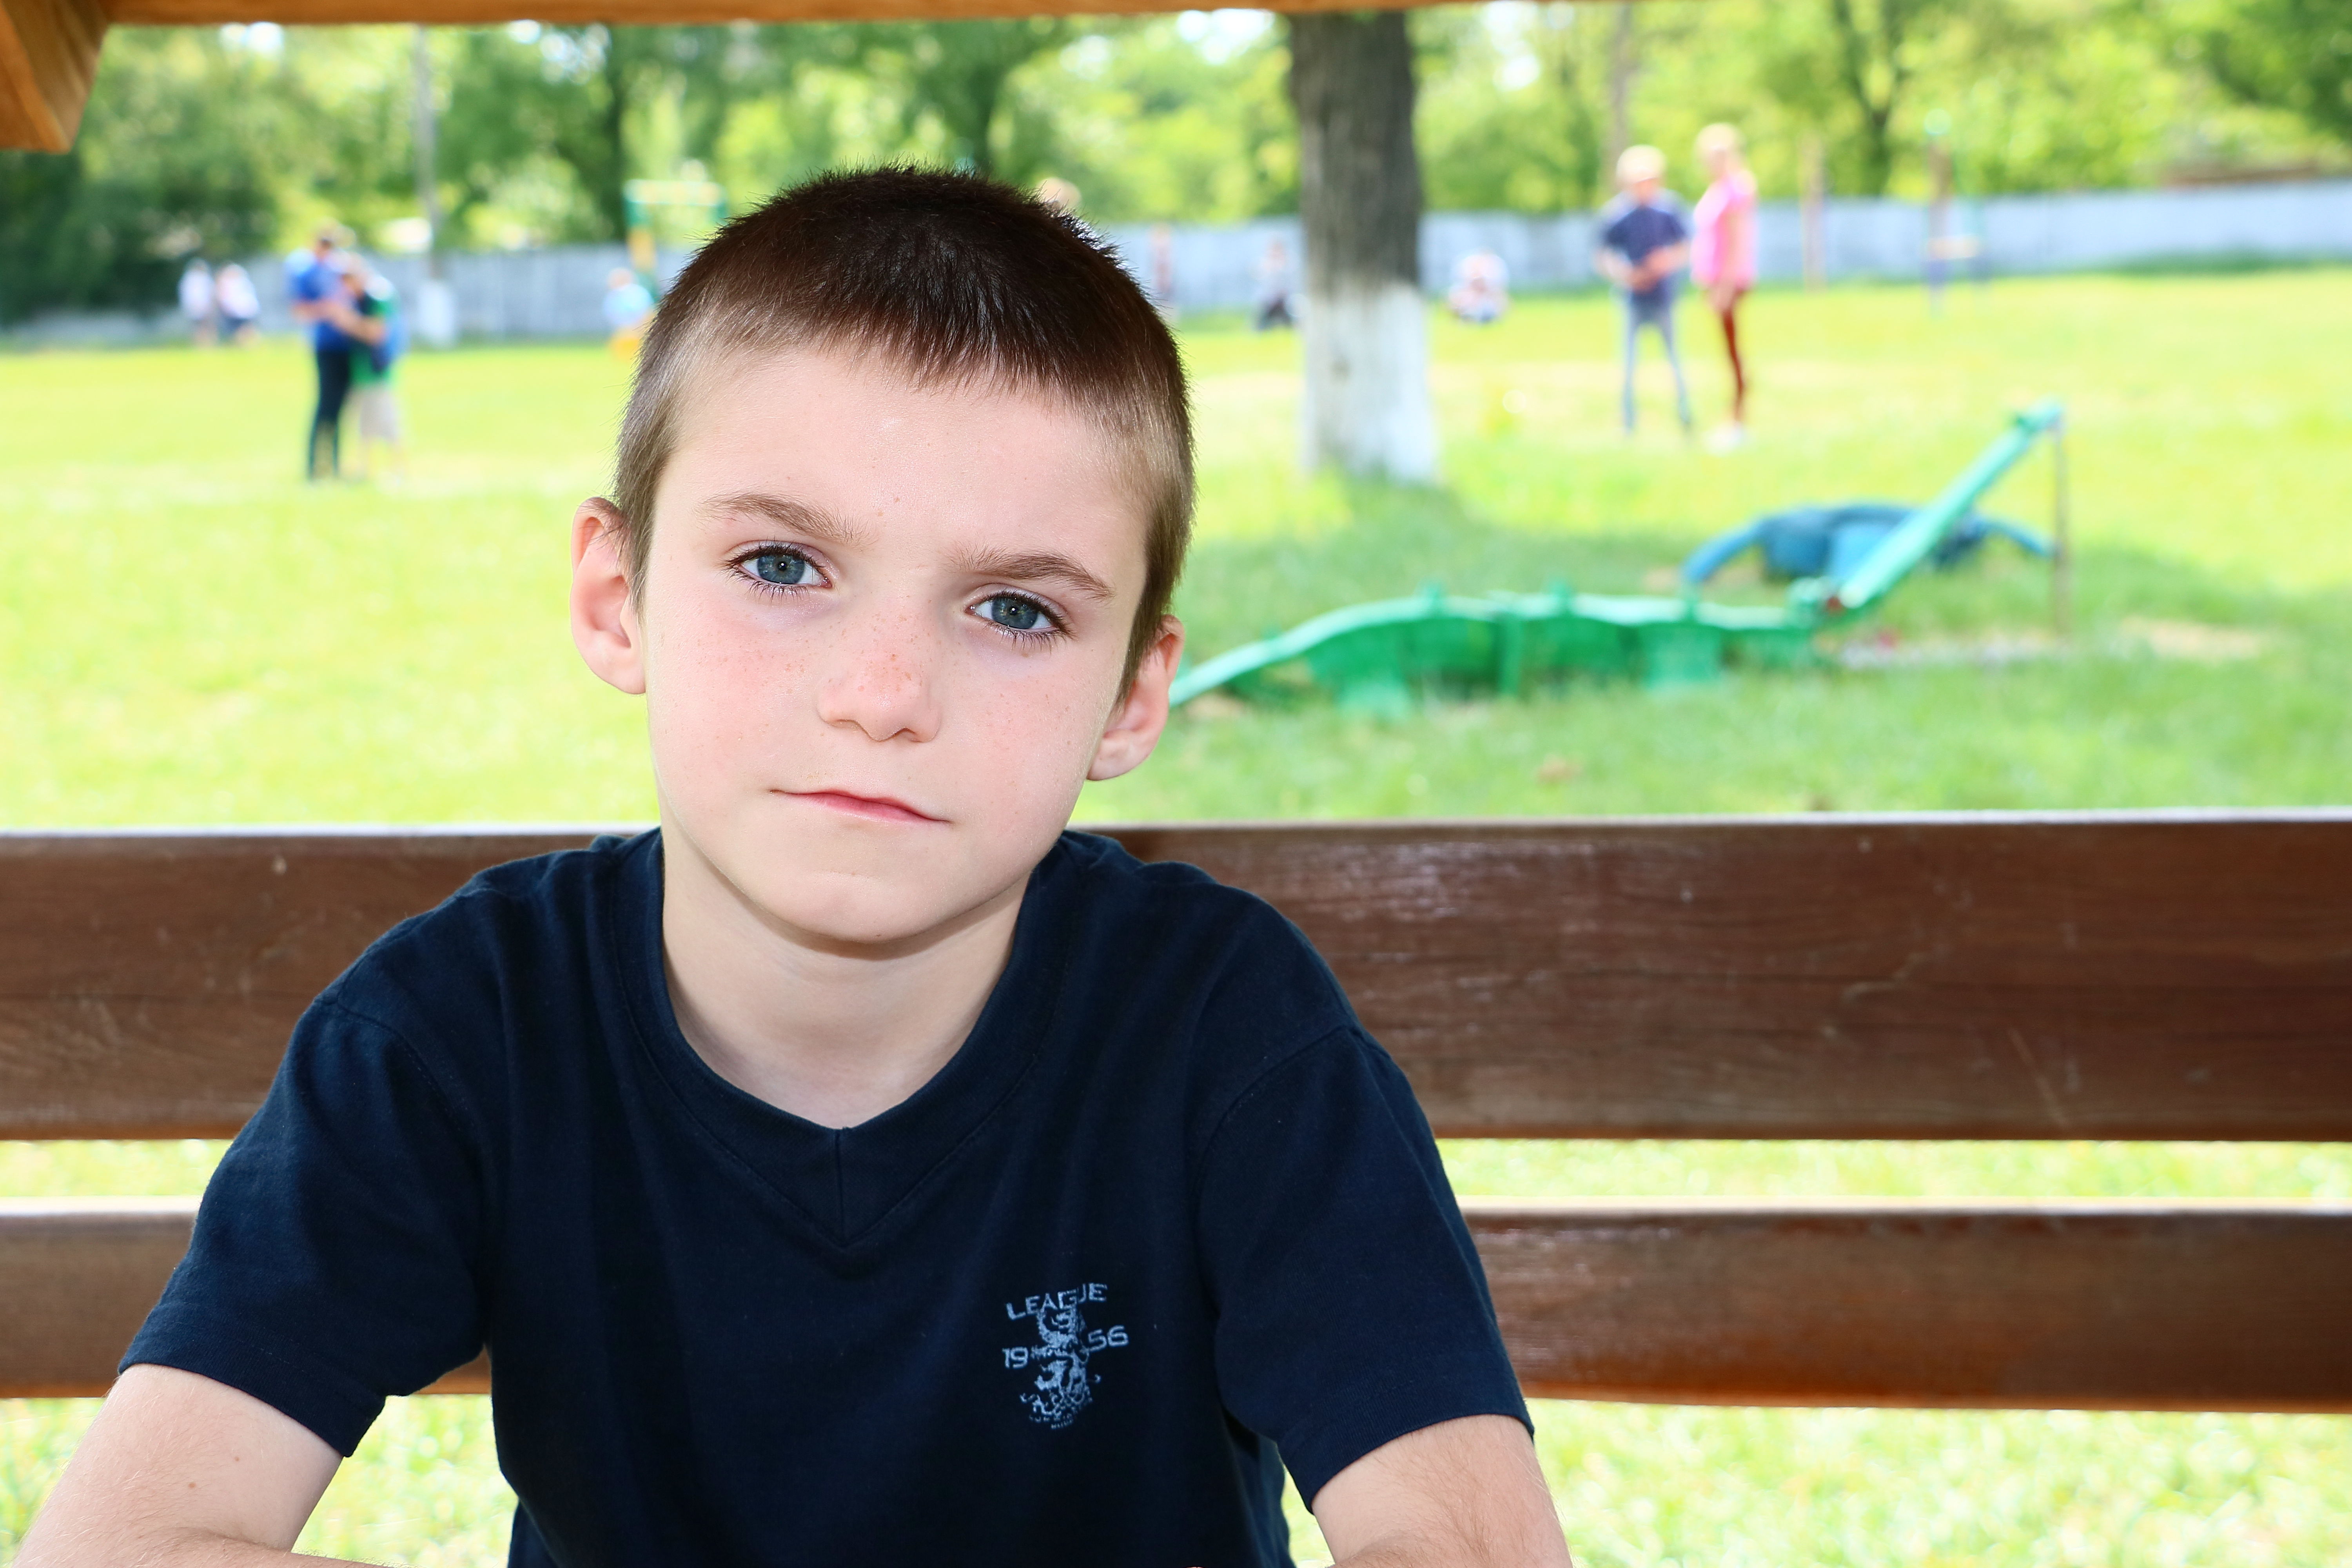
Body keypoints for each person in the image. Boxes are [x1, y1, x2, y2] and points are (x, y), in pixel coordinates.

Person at [18, 170, 1570, 1568]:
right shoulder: (464, 1029)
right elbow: (123, 1542)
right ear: (617, 597)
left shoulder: (1224, 1030)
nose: (882, 695)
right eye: (782, 566)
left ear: (1131, 695)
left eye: (1016, 610)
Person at [1595, 144, 1693, 436]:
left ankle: (1686, 416)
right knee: (1628, 365)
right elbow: (1603, 256)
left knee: (1675, 360)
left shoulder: (1668, 209)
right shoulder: (1617, 214)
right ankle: (1628, 422)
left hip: (1663, 297)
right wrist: (1625, 274)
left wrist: (1664, 262)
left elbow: (1685, 247)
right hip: (1632, 299)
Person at [1691, 123, 1758, 448]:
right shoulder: (1718, 189)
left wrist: (1726, 287)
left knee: (1733, 351)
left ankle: (1737, 422)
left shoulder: (1735, 190)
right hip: (1715, 281)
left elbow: (1736, 242)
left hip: (1728, 282)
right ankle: (1732, 418)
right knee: (1726, 350)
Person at [287, 226, 359, 479]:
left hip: (348, 343)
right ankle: (314, 465)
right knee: (325, 406)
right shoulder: (305, 272)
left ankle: (336, 464)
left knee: (343, 408)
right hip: (327, 345)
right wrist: (328, 310)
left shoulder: (339, 269)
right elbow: (299, 310)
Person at [331, 264, 407, 484]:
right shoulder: (361, 299)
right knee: (364, 426)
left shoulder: (377, 296)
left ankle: (398, 470)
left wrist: (347, 322)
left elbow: (377, 333)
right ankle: (365, 470)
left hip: (377, 371)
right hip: (362, 371)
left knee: (389, 424)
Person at [603, 266, 655, 358]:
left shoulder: (635, 293)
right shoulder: (614, 295)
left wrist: (636, 327)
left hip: (637, 328)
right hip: (624, 329)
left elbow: (644, 312)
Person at [1447, 249, 1510, 324]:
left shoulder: (1494, 287)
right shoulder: (1463, 290)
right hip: (1470, 299)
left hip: (1489, 302)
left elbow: (1500, 292)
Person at [1253, 235, 1294, 330]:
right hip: (1269, 299)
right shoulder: (1264, 263)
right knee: (1262, 311)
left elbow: (1291, 281)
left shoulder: (1289, 262)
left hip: (1285, 299)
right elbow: (1260, 279)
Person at [214, 263, 261, 347]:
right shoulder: (243, 282)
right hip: (242, 309)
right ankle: (248, 345)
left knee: (241, 329)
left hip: (238, 310)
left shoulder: (233, 283)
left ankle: (246, 344)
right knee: (244, 328)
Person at [176, 259, 215, 347]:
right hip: (204, 306)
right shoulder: (203, 278)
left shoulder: (187, 279)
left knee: (198, 327)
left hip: (194, 307)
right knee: (205, 326)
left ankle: (200, 344)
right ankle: (206, 344)